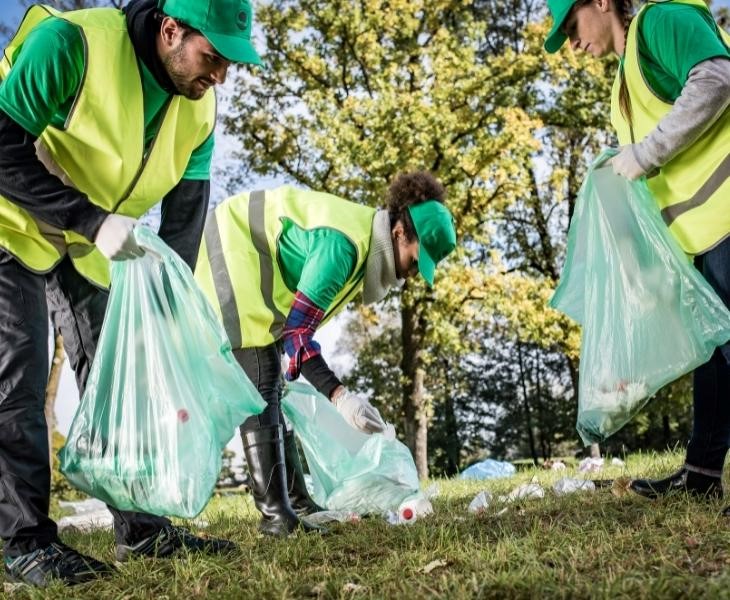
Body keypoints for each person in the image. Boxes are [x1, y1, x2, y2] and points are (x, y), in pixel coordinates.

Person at [0, 0, 262, 587]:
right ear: (170, 29)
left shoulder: (200, 108)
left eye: (230, 65)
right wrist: (90, 220)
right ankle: (26, 543)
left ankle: (141, 530)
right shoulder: (71, 45)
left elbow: (186, 215)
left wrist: (168, 315)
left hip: (88, 242)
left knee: (120, 376)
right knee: (18, 373)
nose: (219, 76)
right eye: (212, 57)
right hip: (10, 217)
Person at [194, 171, 457, 536]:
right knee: (261, 377)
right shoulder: (344, 248)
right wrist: (340, 396)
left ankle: (296, 503)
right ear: (399, 233)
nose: (412, 274)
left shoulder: (363, 247)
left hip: (243, 253)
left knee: (271, 388)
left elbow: (300, 330)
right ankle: (276, 517)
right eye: (415, 261)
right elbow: (297, 335)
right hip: (231, 247)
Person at [544, 0, 730, 511]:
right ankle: (702, 473)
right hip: (701, 238)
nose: (572, 43)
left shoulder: (662, 22)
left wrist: (644, 153)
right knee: (713, 355)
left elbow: (716, 79)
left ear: (601, 3)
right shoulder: (620, 91)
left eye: (570, 26)